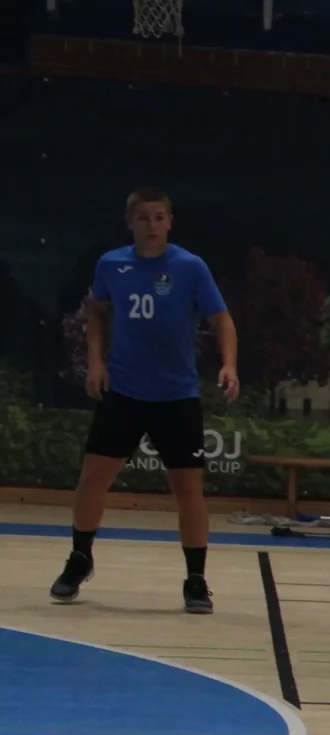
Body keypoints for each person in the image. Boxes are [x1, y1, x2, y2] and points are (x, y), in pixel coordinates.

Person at [51, 188, 237, 613]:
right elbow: (97, 315)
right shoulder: (111, 264)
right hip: (125, 392)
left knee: (187, 487)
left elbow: (222, 320)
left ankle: (195, 579)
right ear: (129, 222)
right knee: (93, 477)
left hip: (176, 395)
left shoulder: (190, 267)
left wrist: (229, 365)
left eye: (158, 218)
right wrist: (96, 363)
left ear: (169, 222)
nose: (150, 226)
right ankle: (79, 559)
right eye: (142, 218)